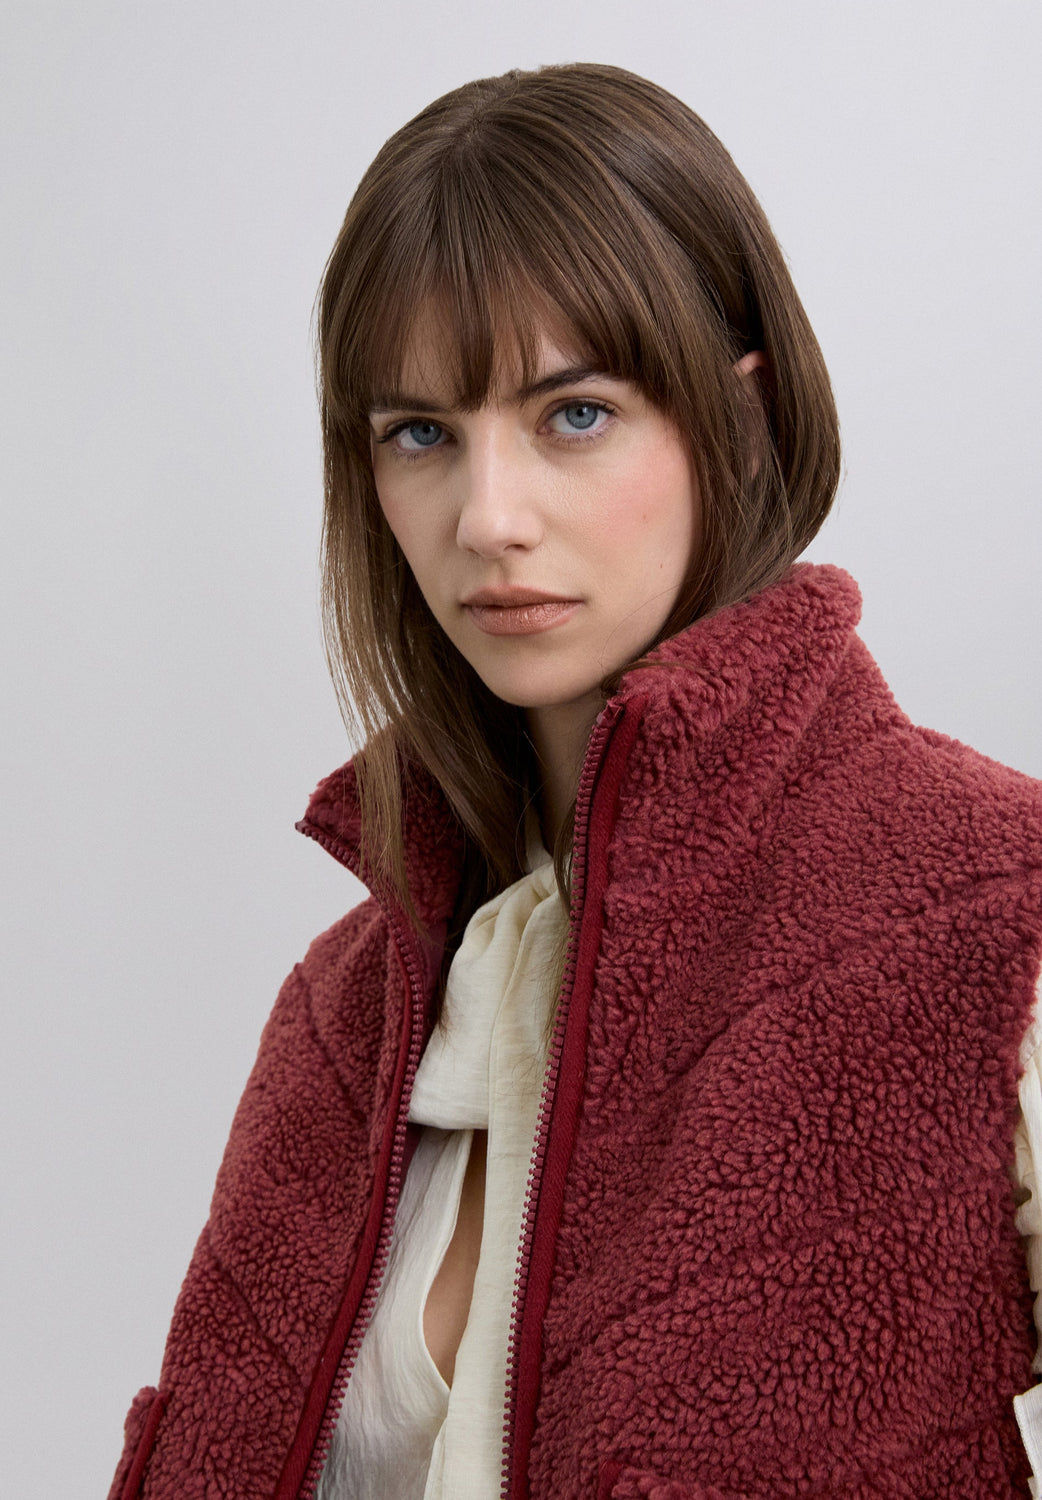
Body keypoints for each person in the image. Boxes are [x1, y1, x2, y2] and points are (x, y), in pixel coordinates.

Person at [108, 63, 1042, 1500]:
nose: (488, 518)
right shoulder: (344, 1016)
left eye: (575, 414)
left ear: (738, 416)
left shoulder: (987, 912)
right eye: (421, 433)